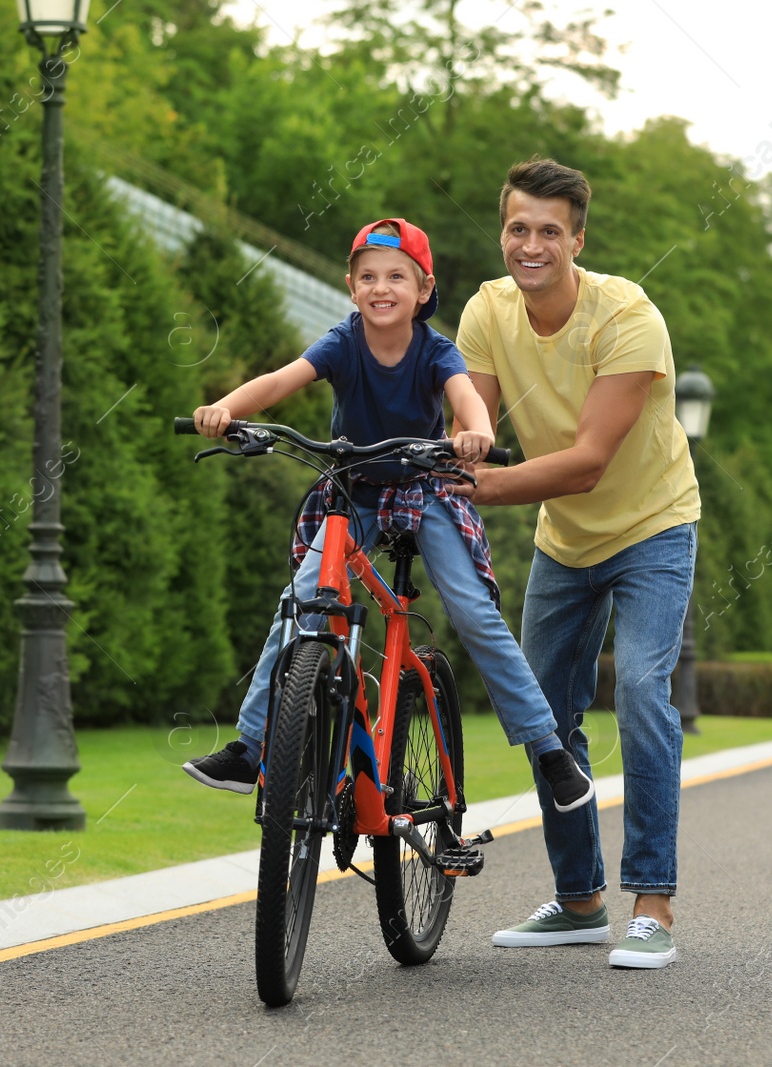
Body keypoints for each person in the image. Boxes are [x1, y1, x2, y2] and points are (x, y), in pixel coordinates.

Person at [181, 217, 593, 814]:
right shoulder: (342, 342)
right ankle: (251, 747)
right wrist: (224, 408)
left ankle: (550, 751)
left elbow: (468, 399)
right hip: (353, 492)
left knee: (473, 612)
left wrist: (476, 434)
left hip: (424, 490)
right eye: (368, 276)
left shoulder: (436, 350)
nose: (381, 288)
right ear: (352, 288)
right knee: (301, 604)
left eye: (397, 276)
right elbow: (281, 380)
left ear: (423, 290)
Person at [453, 158, 700, 970]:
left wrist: (478, 487)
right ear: (504, 233)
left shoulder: (628, 317)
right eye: (518, 228)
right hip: (567, 539)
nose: (531, 245)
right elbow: (473, 420)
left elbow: (590, 461)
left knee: (636, 686)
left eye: (549, 231)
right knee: (542, 710)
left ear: (577, 240)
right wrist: (458, 454)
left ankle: (653, 903)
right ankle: (580, 899)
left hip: (653, 526)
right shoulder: (488, 311)